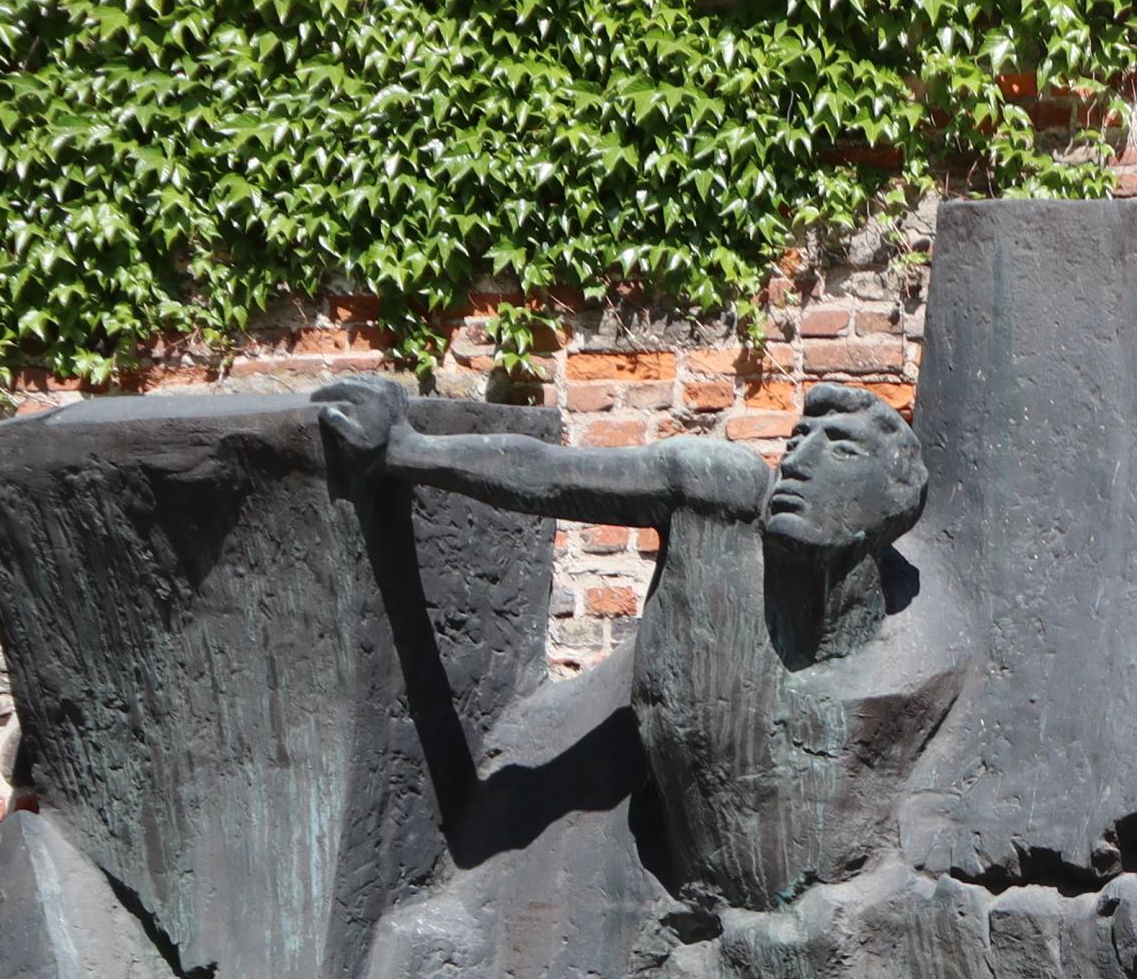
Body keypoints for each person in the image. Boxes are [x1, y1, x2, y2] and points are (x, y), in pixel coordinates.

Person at [312, 376, 952, 908]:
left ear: (893, 505)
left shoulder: (928, 654)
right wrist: (402, 450)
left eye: (838, 449)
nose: (797, 461)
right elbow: (552, 475)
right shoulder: (719, 498)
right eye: (796, 439)